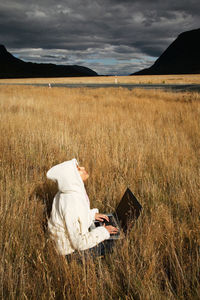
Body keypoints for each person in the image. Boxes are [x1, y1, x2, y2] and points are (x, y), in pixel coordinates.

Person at [47, 158, 118, 259]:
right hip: (69, 254)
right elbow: (78, 243)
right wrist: (104, 232)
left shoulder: (67, 193)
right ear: (72, 177)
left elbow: (78, 218)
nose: (83, 168)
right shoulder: (72, 203)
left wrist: (92, 215)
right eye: (78, 169)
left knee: (107, 233)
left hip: (66, 243)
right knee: (113, 243)